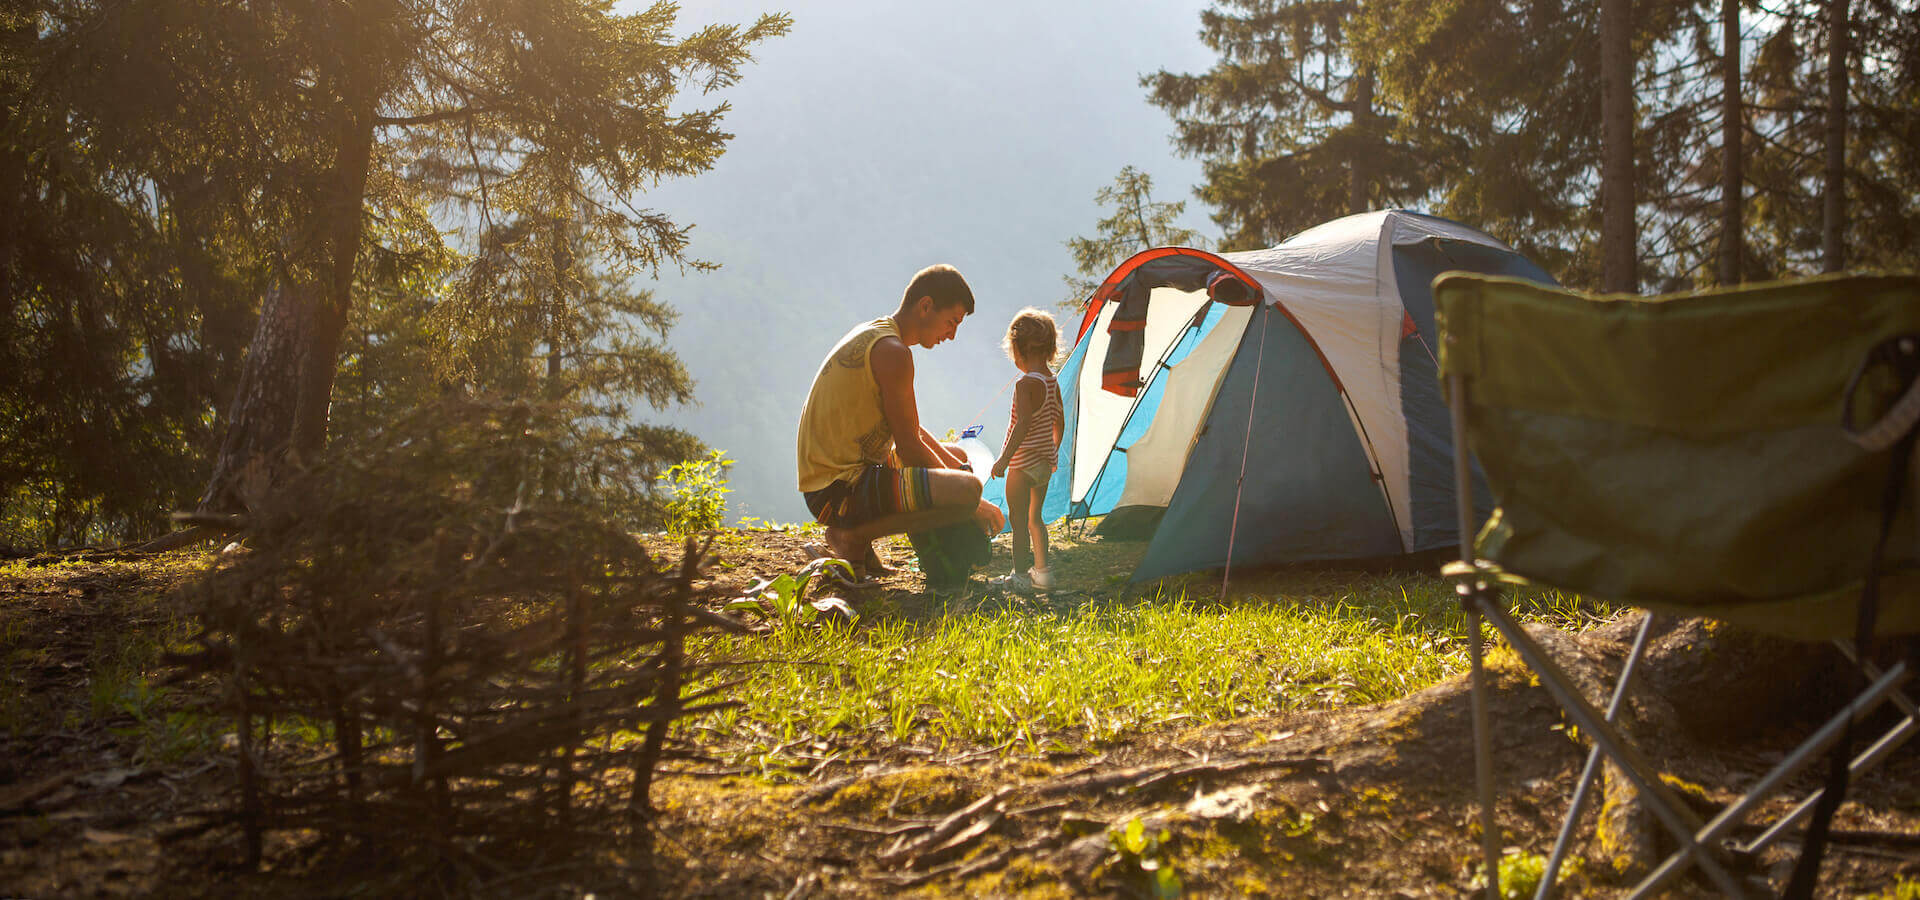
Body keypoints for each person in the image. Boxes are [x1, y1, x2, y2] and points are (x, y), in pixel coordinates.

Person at [796, 264, 1005, 575]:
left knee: (959, 459)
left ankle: (860, 543)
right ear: (925, 306)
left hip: (835, 480)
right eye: (951, 322)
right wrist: (975, 501)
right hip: (838, 492)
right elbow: (908, 447)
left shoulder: (877, 334)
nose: (951, 334)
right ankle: (853, 536)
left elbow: (912, 429)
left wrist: (957, 468)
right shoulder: (892, 352)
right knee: (966, 492)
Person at [989, 308, 1063, 592]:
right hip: (1044, 462)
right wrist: (1052, 453)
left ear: (1018, 348)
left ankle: (1019, 576)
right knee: (1036, 518)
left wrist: (1004, 460)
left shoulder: (1026, 383)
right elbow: (1059, 420)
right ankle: (1043, 572)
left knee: (1017, 521)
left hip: (1022, 463)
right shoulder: (1051, 380)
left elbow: (1022, 424)